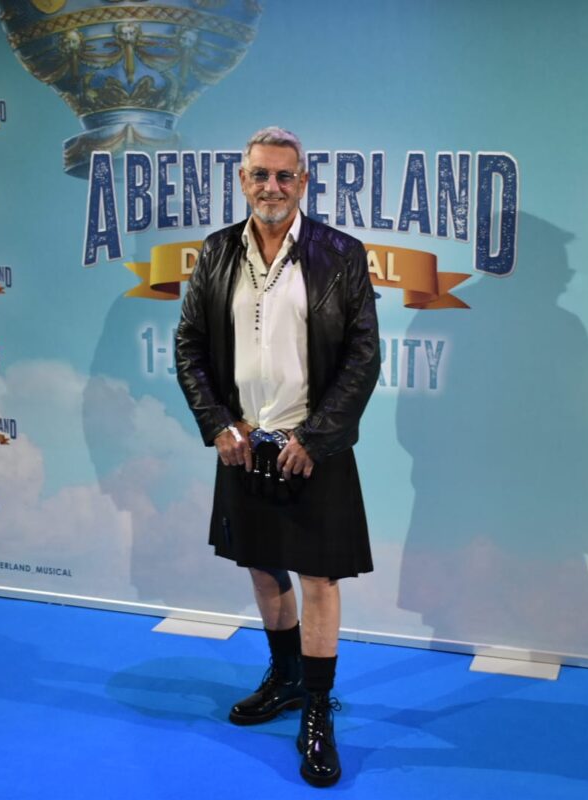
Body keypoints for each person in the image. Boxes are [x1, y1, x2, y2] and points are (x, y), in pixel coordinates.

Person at [175, 126, 379, 787]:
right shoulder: (216, 252)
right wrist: (217, 425)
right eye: (260, 174)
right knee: (263, 567)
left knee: (319, 579)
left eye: (284, 175)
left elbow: (363, 358)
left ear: (303, 182)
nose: (272, 187)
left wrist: (315, 439)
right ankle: (286, 678)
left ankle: (317, 709)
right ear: (243, 180)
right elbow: (189, 347)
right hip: (243, 445)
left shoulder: (341, 254)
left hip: (313, 449)